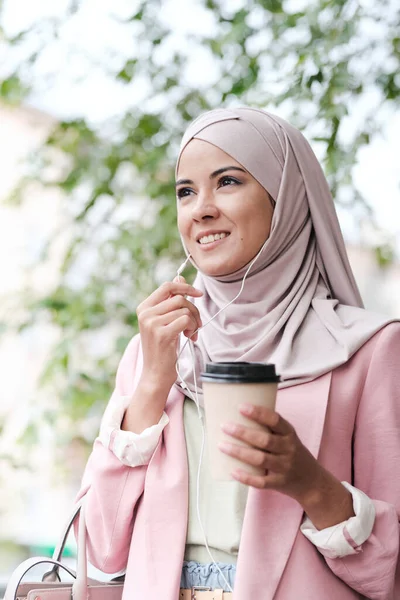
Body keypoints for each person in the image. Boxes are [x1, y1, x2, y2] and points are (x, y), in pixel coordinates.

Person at [75, 107, 400, 599]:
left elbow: (388, 570)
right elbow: (100, 550)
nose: (200, 209)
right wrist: (150, 385)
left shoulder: (368, 350)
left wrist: (309, 482)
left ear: (285, 197)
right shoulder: (156, 349)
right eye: (186, 191)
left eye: (227, 181)